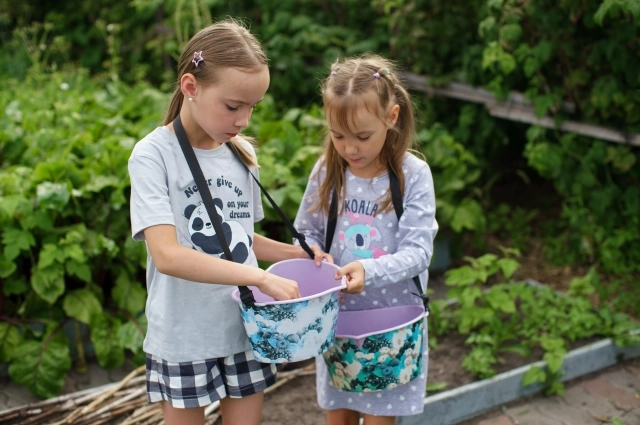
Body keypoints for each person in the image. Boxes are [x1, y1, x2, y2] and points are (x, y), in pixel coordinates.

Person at [128, 19, 330, 425]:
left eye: (253, 107)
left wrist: (299, 253)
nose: (244, 121)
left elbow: (239, 237)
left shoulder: (240, 154)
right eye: (233, 106)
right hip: (184, 335)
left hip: (244, 328)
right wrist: (258, 278)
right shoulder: (153, 156)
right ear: (191, 87)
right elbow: (167, 255)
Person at [293, 55, 438, 425]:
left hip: (391, 327)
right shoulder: (329, 170)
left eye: (362, 136)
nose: (350, 148)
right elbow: (305, 232)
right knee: (338, 416)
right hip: (338, 322)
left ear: (391, 117)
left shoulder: (412, 174)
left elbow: (419, 252)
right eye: (337, 136)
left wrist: (367, 271)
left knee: (377, 419)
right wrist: (313, 253)